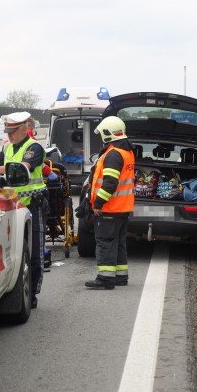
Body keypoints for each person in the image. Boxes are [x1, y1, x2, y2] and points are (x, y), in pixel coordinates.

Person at [0, 111, 48, 308]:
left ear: (24, 130)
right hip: (12, 208)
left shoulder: (33, 147)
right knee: (15, 253)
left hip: (33, 205)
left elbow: (21, 167)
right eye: (7, 132)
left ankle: (32, 294)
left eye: (12, 132)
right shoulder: (7, 147)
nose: (9, 136)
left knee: (34, 254)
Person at [85, 116, 136, 290]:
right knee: (119, 242)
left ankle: (105, 279)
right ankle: (121, 276)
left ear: (107, 133)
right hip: (122, 207)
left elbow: (110, 183)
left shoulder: (113, 154)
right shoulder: (126, 151)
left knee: (106, 242)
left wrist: (98, 203)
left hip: (110, 207)